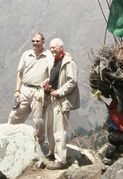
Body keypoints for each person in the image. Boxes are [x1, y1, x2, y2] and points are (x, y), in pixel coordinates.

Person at [8, 32, 51, 144]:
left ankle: (40, 144)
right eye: (33, 41)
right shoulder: (26, 55)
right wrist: (17, 90)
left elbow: (54, 71)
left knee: (38, 121)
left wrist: (66, 55)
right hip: (25, 90)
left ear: (43, 42)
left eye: (37, 41)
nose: (35, 43)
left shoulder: (49, 56)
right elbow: (20, 74)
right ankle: (9, 139)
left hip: (39, 92)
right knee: (15, 115)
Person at [44, 38, 80, 170]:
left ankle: (61, 161)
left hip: (61, 101)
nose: (52, 49)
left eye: (54, 47)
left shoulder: (68, 62)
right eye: (51, 47)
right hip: (53, 99)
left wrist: (59, 92)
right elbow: (55, 77)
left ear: (61, 48)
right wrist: (47, 82)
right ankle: (53, 153)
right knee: (51, 128)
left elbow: (72, 81)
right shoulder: (56, 61)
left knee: (59, 131)